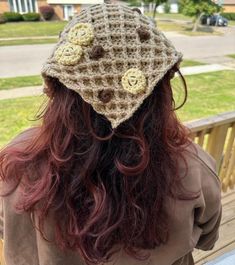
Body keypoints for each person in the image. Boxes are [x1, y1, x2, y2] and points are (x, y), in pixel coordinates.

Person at [0, 4, 222, 265]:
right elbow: (208, 239)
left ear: (57, 88)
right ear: (162, 88)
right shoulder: (193, 166)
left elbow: (8, 230)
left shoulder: (15, 165)